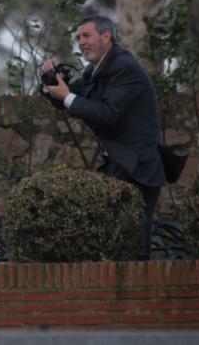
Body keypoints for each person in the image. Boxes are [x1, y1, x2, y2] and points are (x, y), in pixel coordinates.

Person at [41, 15, 165, 260]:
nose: (81, 42)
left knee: (133, 245)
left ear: (106, 36)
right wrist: (50, 79)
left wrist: (66, 95)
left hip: (138, 167)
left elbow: (108, 114)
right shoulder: (98, 67)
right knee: (114, 240)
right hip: (120, 165)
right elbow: (71, 98)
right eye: (78, 38)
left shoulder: (124, 67)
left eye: (86, 36)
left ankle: (140, 292)